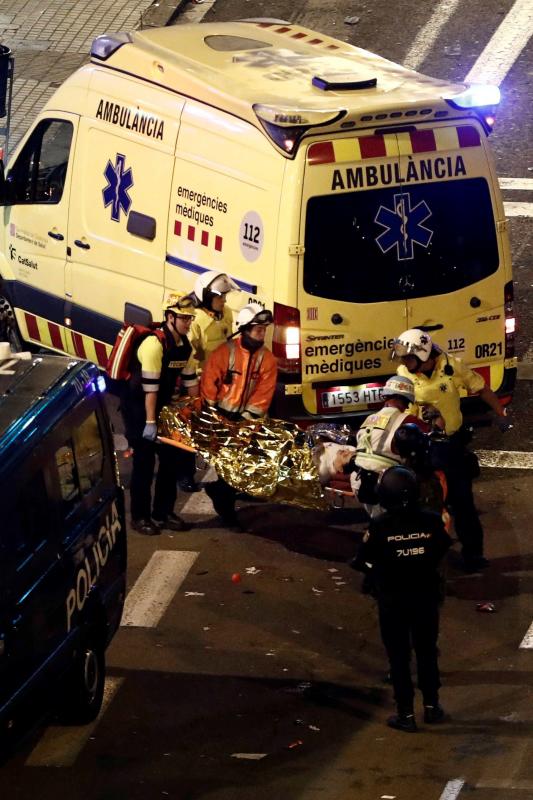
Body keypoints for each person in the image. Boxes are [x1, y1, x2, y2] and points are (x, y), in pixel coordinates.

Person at [391, 328, 507, 572]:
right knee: (418, 504)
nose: (403, 362)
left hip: (450, 446)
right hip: (419, 447)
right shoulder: (404, 373)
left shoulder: (452, 367)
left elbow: (482, 388)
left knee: (462, 502)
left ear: (423, 355)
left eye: (408, 358)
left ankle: (473, 554)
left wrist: (501, 414)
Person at [352, 466, 452, 732]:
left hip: (393, 601)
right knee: (427, 652)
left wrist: (384, 569)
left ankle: (405, 714)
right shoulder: (431, 521)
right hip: (426, 598)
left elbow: (361, 561)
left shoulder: (380, 526)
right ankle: (432, 707)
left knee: (398, 658)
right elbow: (443, 547)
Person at [122, 294, 199, 535]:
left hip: (162, 408)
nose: (188, 323)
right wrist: (150, 423)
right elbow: (150, 391)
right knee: (144, 464)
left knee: (170, 462)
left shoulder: (184, 346)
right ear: (170, 317)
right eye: (184, 318)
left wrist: (196, 413)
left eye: (190, 318)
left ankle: (163, 512)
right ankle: (140, 516)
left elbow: (190, 383)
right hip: (139, 409)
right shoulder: (153, 345)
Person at [200, 302, 278, 526]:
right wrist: (211, 412)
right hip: (222, 416)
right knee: (230, 466)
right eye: (258, 330)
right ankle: (226, 510)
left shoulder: (267, 360)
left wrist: (247, 419)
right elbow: (210, 380)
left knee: (240, 464)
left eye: (264, 330)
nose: (262, 334)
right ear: (244, 329)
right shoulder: (226, 352)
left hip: (244, 420)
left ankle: (220, 492)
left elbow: (263, 394)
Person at [177, 271, 241, 492]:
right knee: (193, 429)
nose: (224, 301)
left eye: (224, 297)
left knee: (225, 433)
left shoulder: (227, 314)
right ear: (206, 297)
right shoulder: (196, 321)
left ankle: (230, 481)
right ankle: (185, 474)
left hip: (223, 382)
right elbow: (190, 359)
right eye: (220, 297)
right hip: (201, 384)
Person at [351, 375, 429, 513]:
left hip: (358, 481)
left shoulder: (369, 418)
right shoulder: (406, 419)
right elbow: (429, 437)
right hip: (387, 483)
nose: (406, 407)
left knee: (378, 520)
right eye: (406, 403)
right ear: (402, 400)